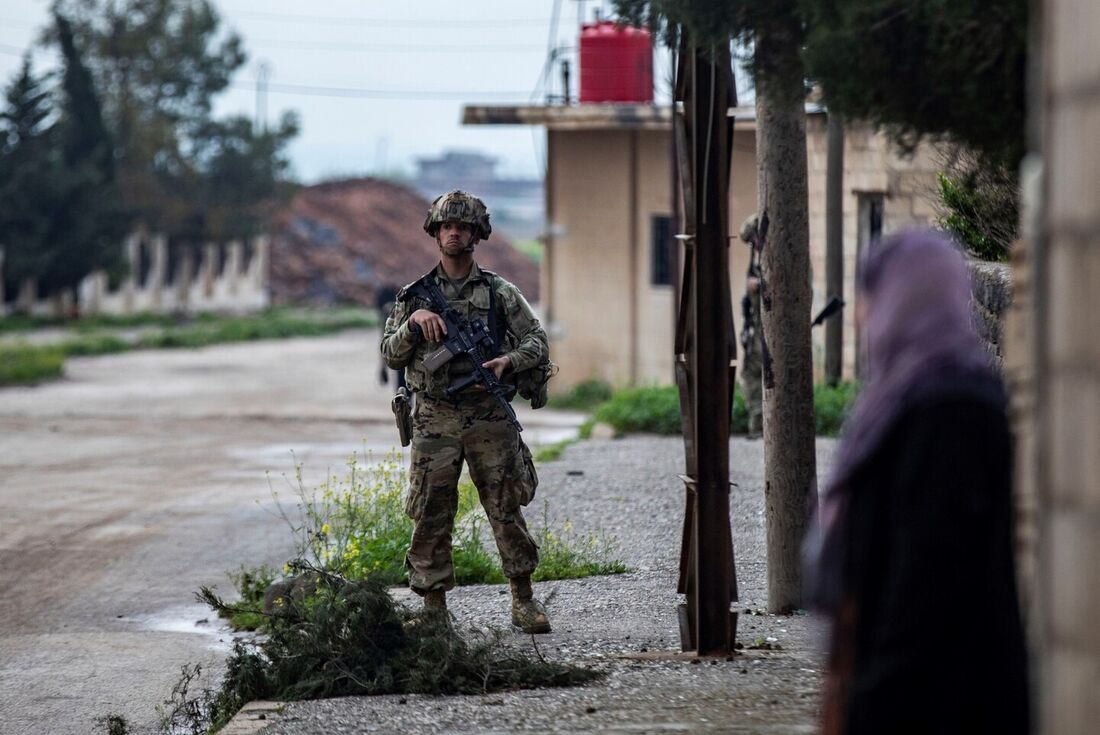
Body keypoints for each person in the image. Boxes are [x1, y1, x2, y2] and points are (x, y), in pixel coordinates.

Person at [805, 230, 1029, 734]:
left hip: (934, 700)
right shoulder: (903, 400)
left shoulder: (950, 413)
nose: (862, 314)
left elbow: (925, 585)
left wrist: (873, 702)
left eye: (871, 295)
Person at [380, 190, 551, 634]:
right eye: (446, 226)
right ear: (436, 233)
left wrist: (508, 362)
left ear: (477, 234)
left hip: (488, 415)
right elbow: (390, 355)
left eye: (463, 227)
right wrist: (413, 323)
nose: (454, 232)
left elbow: (537, 341)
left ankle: (522, 599)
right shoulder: (414, 295)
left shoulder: (499, 292)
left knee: (505, 505)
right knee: (431, 509)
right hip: (434, 416)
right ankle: (433, 609)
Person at [739, 214, 764, 437]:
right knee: (749, 373)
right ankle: (757, 421)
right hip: (758, 326)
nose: (754, 245)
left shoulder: (779, 253)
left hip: (772, 329)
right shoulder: (758, 259)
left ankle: (761, 420)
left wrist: (761, 287)